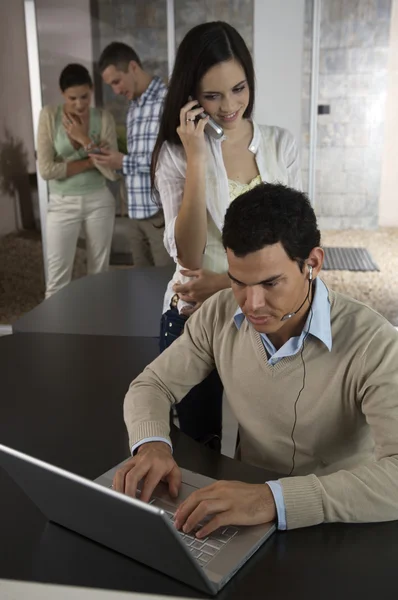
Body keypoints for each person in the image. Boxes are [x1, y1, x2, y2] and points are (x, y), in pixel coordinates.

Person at [116, 182, 398, 535]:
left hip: (340, 518)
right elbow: (152, 384)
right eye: (238, 282)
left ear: (312, 263)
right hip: (241, 506)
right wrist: (152, 444)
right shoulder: (218, 314)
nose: (251, 305)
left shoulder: (375, 343)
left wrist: (274, 499)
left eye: (270, 284)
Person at [151, 21, 302, 447]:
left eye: (239, 88)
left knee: (267, 445)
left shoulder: (280, 145)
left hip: (269, 314)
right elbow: (190, 258)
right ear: (191, 95)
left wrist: (226, 284)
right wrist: (197, 158)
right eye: (212, 95)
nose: (229, 105)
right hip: (195, 316)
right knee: (198, 443)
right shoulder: (176, 153)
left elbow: (298, 245)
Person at [37, 63, 118, 298]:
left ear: (92, 90)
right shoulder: (49, 117)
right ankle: (54, 333)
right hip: (62, 204)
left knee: (99, 275)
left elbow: (112, 172)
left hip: (99, 201)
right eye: (72, 98)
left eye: (85, 96)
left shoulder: (103, 118)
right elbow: (46, 170)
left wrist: (84, 140)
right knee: (57, 280)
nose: (80, 104)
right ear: (62, 94)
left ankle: (97, 329)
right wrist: (92, 159)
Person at [94, 42, 172, 268]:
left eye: (116, 81)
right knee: (141, 284)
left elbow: (173, 162)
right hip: (134, 212)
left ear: (133, 67)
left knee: (167, 285)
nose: (116, 91)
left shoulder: (167, 102)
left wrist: (123, 161)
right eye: (111, 86)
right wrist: (112, 159)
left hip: (161, 214)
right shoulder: (133, 108)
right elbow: (139, 160)